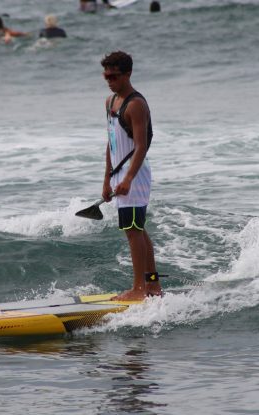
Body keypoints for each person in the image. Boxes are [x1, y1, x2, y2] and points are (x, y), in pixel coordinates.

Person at [100, 51, 161, 301]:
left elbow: (142, 145)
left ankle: (138, 289)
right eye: (106, 76)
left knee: (133, 230)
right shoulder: (109, 102)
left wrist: (128, 179)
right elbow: (111, 143)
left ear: (128, 74)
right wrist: (107, 180)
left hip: (134, 176)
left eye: (114, 76)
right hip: (119, 175)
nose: (109, 80)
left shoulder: (136, 105)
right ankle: (153, 285)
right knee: (137, 229)